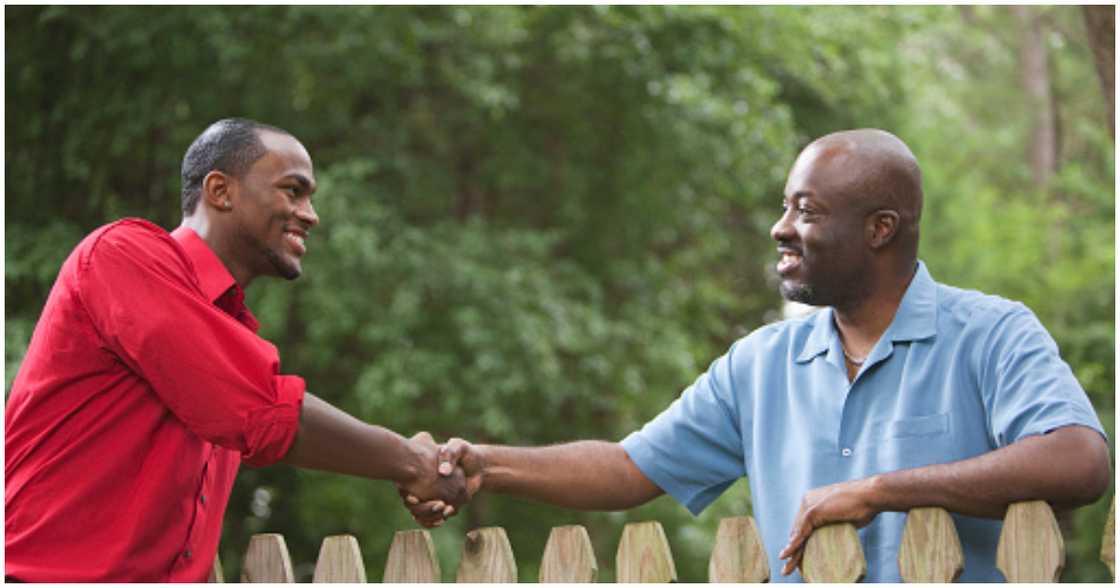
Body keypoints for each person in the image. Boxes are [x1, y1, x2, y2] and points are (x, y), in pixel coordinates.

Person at [402, 129, 1111, 582]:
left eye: (806, 210)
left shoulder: (992, 333)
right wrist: (487, 465)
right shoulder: (762, 362)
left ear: (880, 229)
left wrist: (882, 489)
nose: (781, 228)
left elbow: (1079, 460)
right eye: (785, 206)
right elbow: (627, 468)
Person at [5, 118, 466, 582]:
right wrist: (413, 462)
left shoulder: (229, 332)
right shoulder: (120, 256)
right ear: (221, 191)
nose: (311, 214)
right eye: (293, 191)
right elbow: (262, 411)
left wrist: (415, 462)